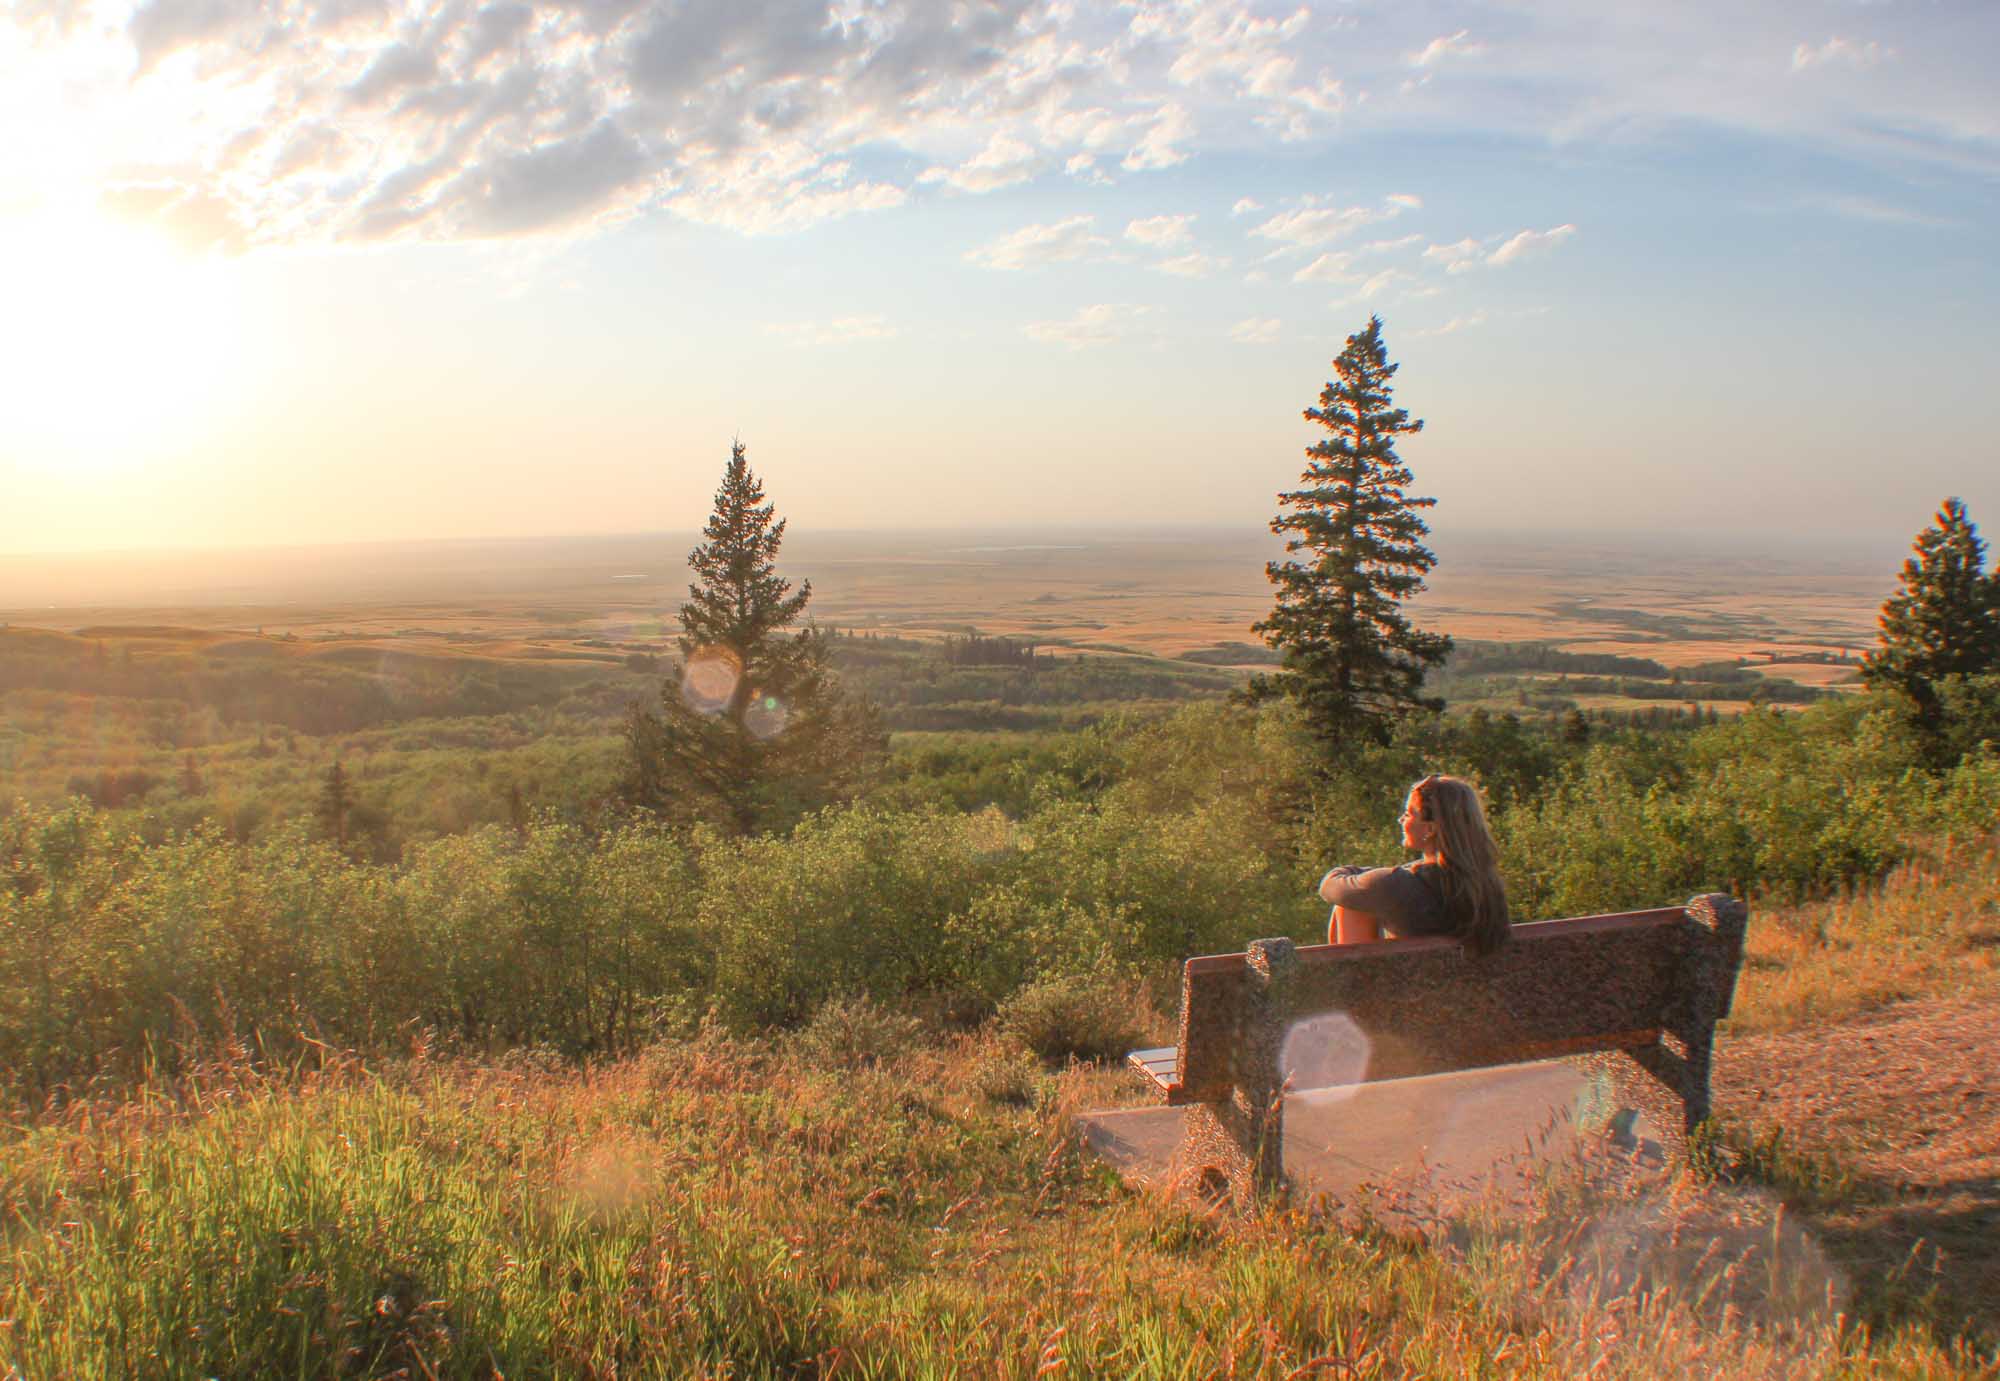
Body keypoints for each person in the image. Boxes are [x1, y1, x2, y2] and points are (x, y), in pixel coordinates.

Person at [1318, 774, 1510, 956]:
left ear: (1430, 829)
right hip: (1480, 979)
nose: (1400, 820)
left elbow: (1329, 886)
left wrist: (1364, 874)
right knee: (1358, 896)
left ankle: (1351, 981)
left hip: (1412, 980)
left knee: (1350, 904)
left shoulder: (1396, 885)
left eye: (1408, 814)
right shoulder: (1488, 888)